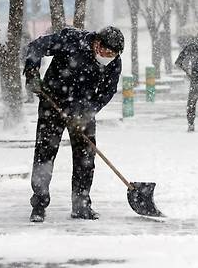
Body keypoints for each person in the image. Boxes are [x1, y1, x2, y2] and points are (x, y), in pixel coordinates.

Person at [23, 26, 124, 223]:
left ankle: (81, 205)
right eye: (105, 52)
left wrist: (88, 112)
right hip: (52, 103)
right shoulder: (72, 40)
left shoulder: (113, 63)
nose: (107, 57)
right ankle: (39, 204)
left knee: (85, 158)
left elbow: (107, 91)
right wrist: (32, 72)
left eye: (113, 54)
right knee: (45, 155)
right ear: (97, 43)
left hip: (82, 110)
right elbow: (36, 46)